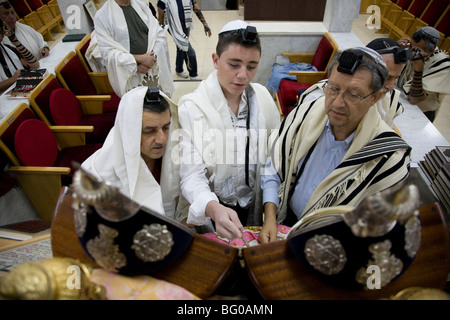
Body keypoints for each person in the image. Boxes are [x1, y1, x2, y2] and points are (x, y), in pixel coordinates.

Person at [259, 47, 411, 244]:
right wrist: (270, 216)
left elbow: (376, 232)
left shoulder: (388, 158)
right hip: (284, 222)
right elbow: (275, 164)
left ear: (375, 98)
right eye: (333, 89)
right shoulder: (306, 113)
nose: (337, 103)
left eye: (353, 95)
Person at [176, 20, 280, 240]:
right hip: (215, 206)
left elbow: (273, 158)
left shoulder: (262, 98)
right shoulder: (193, 107)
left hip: (254, 203)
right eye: (234, 64)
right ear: (215, 60)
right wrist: (214, 209)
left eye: (252, 66)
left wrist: (269, 214)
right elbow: (191, 176)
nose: (243, 75)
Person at [82, 86, 179, 217]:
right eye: (149, 131)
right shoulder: (97, 175)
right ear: (129, 132)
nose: (162, 139)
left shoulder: (173, 152)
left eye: (166, 128)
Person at [298, 38, 412, 128]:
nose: (391, 87)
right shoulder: (317, 98)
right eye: (386, 78)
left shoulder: (389, 100)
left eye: (395, 79)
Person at [93, 0, 175, 98]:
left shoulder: (141, 5)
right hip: (130, 75)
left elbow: (159, 34)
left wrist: (151, 59)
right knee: (136, 108)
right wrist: (138, 61)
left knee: (157, 108)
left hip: (153, 68)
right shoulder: (102, 16)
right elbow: (107, 53)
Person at [397, 26, 450, 122]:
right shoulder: (411, 48)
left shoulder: (442, 65)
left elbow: (414, 99)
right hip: (402, 101)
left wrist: (418, 69)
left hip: (421, 113)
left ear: (430, 50)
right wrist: (396, 49)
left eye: (415, 50)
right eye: (410, 46)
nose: (411, 52)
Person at [157, 0, 211, 80]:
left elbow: (196, 9)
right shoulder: (163, 0)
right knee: (189, 51)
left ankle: (179, 69)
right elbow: (160, 17)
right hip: (173, 27)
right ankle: (193, 74)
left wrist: (205, 25)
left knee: (181, 48)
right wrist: (160, 32)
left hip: (186, 25)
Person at [0, 19, 39, 93]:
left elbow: (35, 65)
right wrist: (13, 79)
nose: (2, 34)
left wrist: (15, 40)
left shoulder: (7, 48)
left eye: (2, 31)